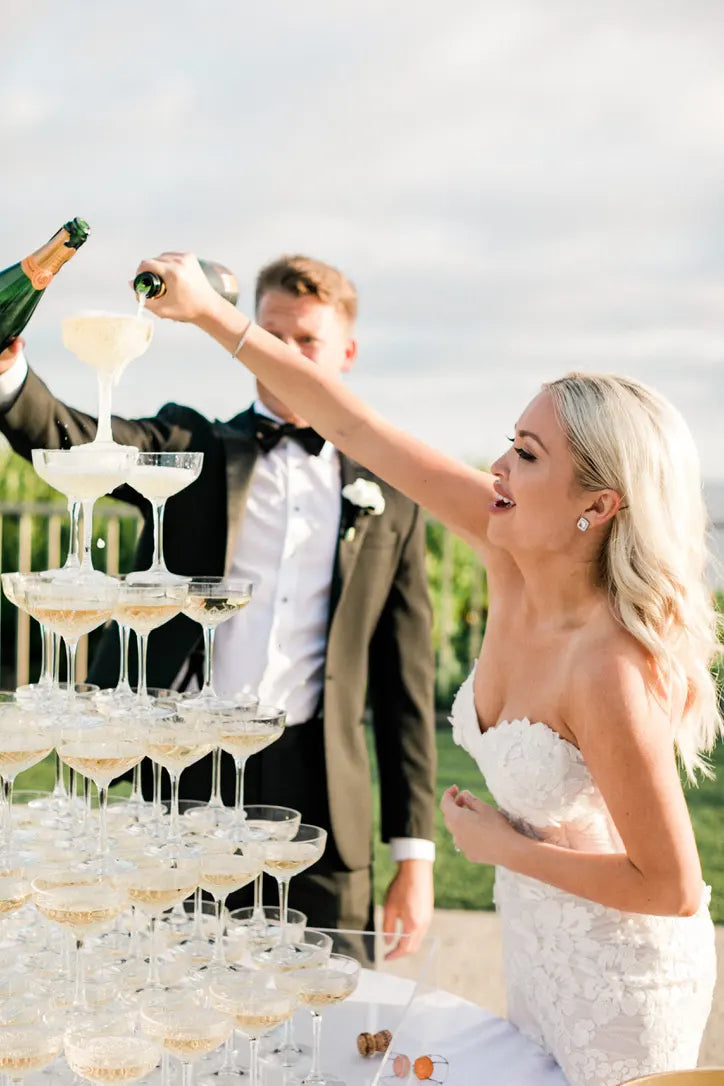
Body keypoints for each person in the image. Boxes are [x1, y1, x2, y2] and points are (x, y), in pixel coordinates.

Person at [136, 251, 721, 1086]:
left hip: (623, 982)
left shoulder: (609, 668)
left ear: (597, 505)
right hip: (543, 954)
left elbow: (672, 888)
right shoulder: (507, 546)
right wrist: (210, 315)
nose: (498, 467)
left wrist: (503, 848)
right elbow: (356, 428)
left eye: (527, 454)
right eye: (510, 443)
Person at [0, 254, 437, 957]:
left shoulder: (392, 493)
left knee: (334, 990)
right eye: (271, 334)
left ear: (347, 353)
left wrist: (414, 858)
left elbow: (404, 685)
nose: (285, 354)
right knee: (175, 980)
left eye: (307, 341)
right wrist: (9, 376)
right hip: (189, 770)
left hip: (322, 787)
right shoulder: (194, 447)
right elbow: (77, 439)